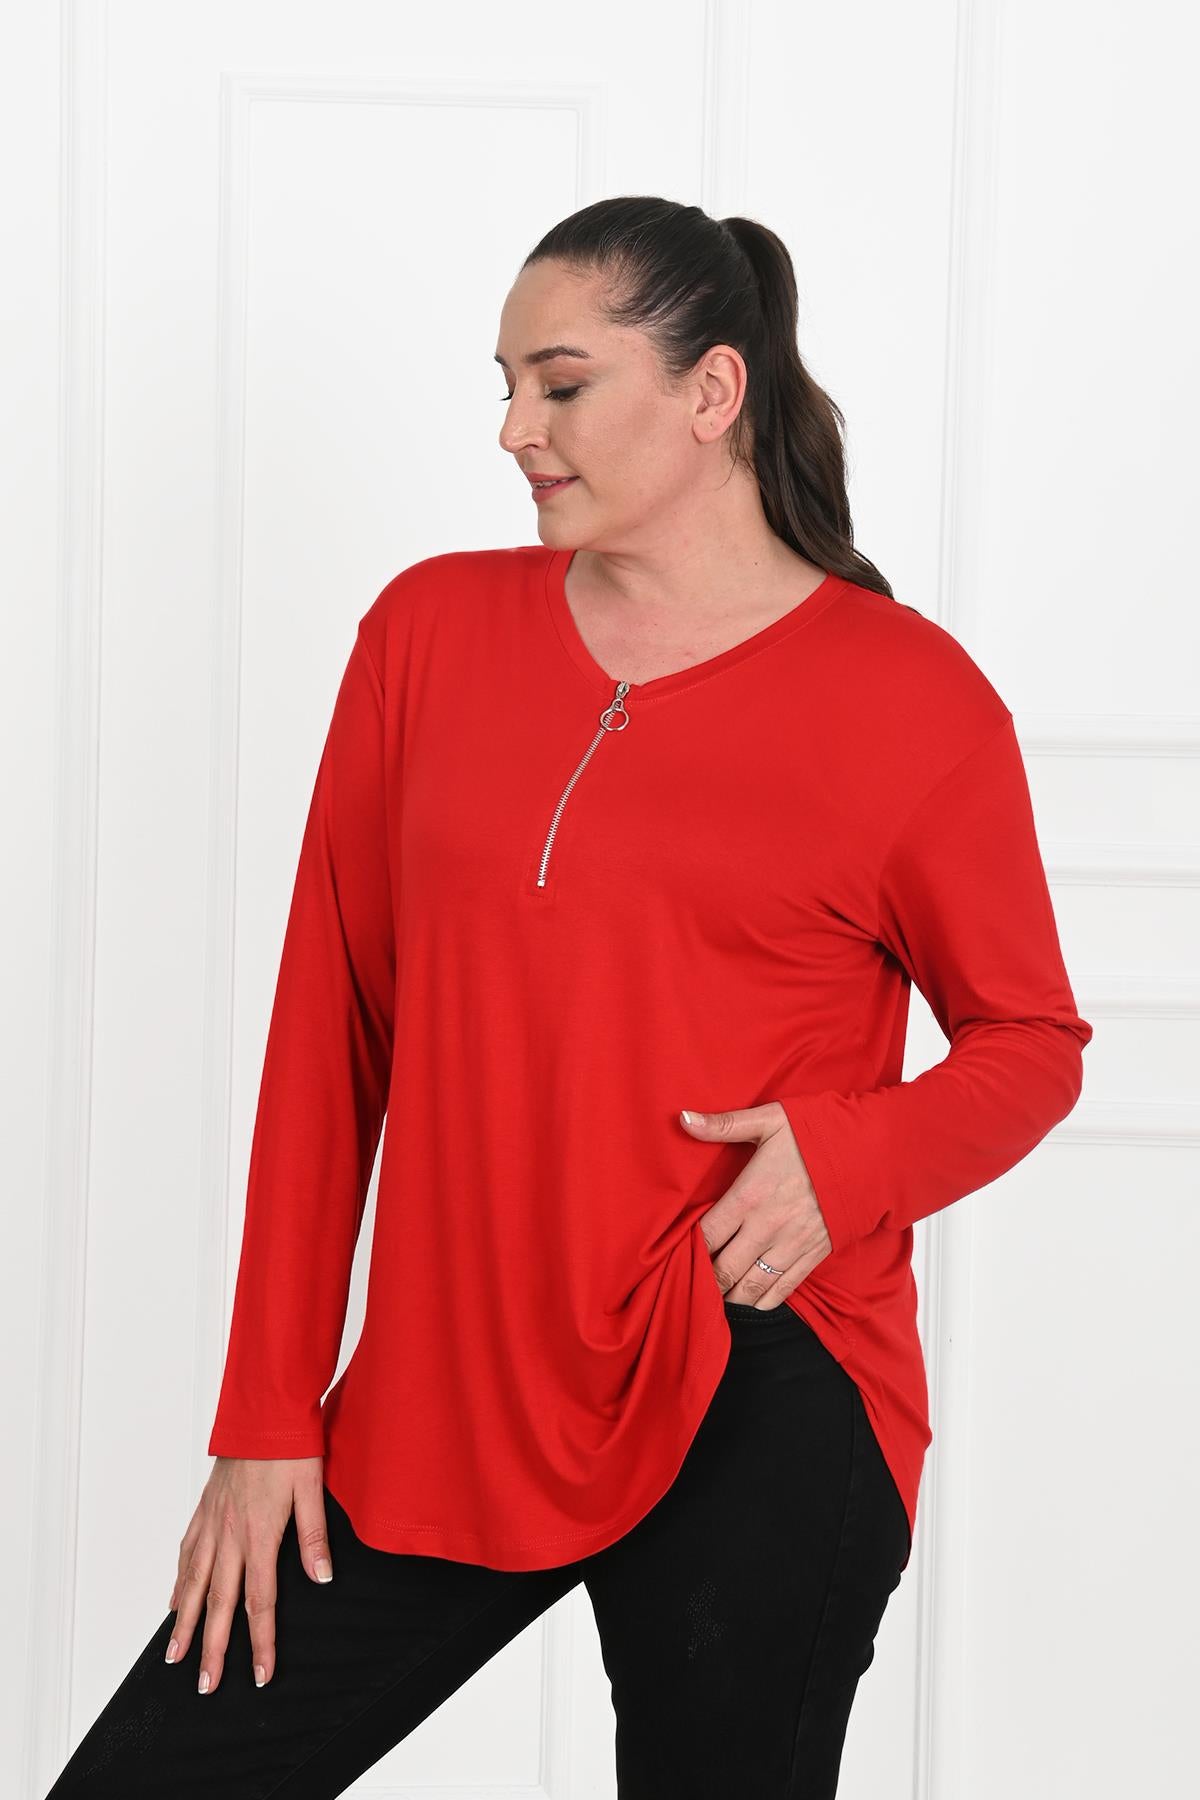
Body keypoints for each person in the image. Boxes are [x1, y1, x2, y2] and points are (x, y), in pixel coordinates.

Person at [46, 196, 1092, 1799]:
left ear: (713, 391)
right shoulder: (426, 634)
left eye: (562, 385)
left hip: (758, 1379)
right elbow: (335, 1035)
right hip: (446, 1392)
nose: (514, 430)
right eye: (508, 387)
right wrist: (266, 1414)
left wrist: (849, 1159)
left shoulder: (911, 699)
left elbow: (1032, 1043)